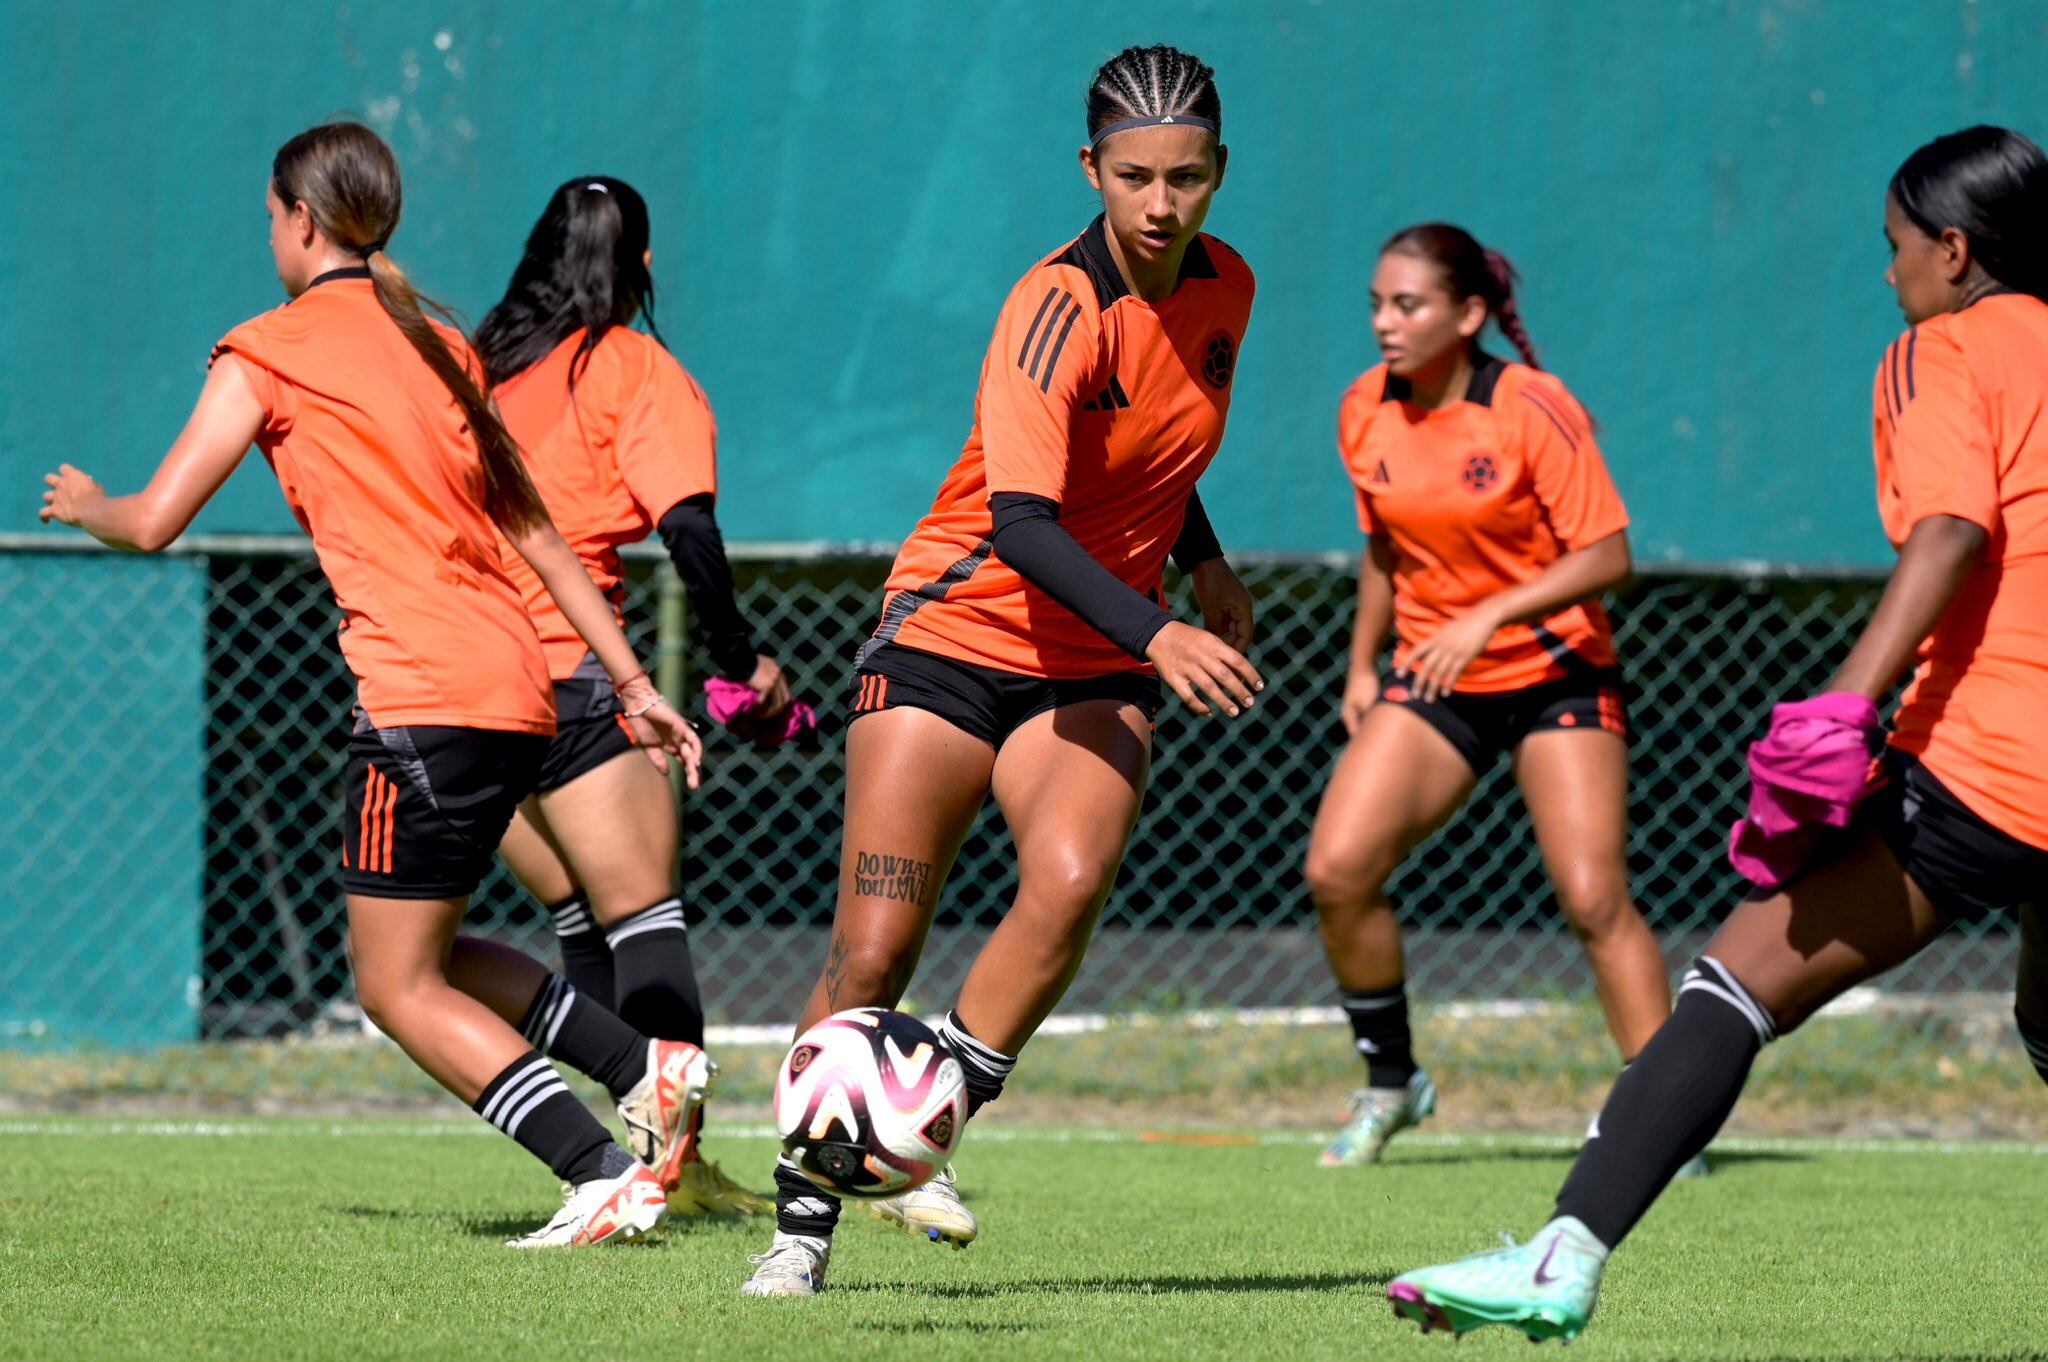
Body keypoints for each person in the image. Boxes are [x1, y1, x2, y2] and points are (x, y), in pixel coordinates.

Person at [1388, 125, 2048, 1342]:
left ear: (1953, 252)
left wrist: (1847, 703)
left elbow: (1949, 532)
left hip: (1997, 758)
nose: (1887, 273)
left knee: (1732, 983)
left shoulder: (1940, 345)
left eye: (1895, 249)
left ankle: (1561, 1253)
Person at [39, 123, 713, 1249]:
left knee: (393, 990)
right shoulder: (441, 343)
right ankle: (645, 1066)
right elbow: (537, 532)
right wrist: (636, 682)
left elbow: (155, 523)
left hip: (421, 700)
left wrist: (88, 501)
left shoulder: (265, 349)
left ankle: (596, 1170)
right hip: (521, 687)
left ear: (300, 220)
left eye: (269, 216)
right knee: (432, 955)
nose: (270, 233)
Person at [741, 44, 1262, 1296]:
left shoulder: (1227, 285)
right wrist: (1164, 632)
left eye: (1184, 178)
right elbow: (1025, 522)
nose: (1158, 203)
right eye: (1132, 176)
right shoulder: (1050, 304)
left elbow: (1147, 455)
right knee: (869, 958)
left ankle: (925, 1123)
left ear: (1217, 174)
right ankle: (796, 1233)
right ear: (1089, 169)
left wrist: (1203, 562)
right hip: (952, 638)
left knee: (1071, 880)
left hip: (1095, 656)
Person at [1307, 224, 1673, 1167]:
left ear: (1469, 315)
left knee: (1594, 899)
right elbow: (1386, 549)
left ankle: (1668, 1119)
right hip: (1435, 675)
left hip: (1556, 675)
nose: (1386, 324)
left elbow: (1609, 556)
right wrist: (1361, 664)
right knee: (1337, 872)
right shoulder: (1364, 408)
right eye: (1377, 304)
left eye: (1409, 305)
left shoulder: (1529, 405)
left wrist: (1490, 615)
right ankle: (1395, 1083)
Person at [474, 175, 791, 1216]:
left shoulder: (482, 371)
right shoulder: (632, 368)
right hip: (572, 673)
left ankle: (622, 1163)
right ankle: (674, 1168)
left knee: (575, 921)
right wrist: (739, 657)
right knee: (643, 917)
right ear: (642, 266)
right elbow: (687, 530)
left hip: (462, 677)